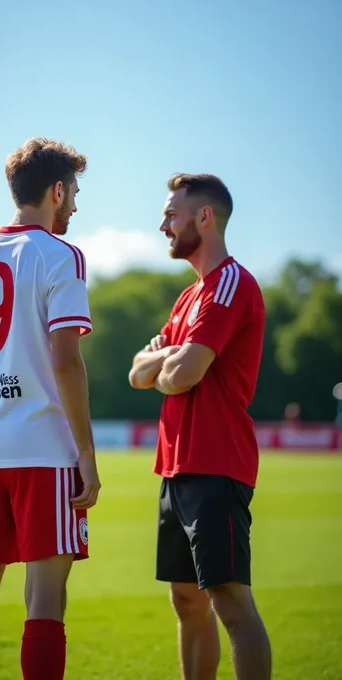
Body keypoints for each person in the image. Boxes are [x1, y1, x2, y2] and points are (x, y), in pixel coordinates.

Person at [0, 137, 101, 680]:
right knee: (45, 602)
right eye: (74, 193)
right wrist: (86, 453)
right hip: (45, 454)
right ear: (56, 191)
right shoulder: (61, 255)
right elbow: (66, 362)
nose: (75, 206)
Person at [128, 174, 272, 680]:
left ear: (204, 217)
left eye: (172, 214)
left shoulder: (232, 282)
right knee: (186, 601)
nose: (163, 224)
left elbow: (179, 376)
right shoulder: (188, 298)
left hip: (217, 464)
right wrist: (172, 356)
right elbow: (137, 372)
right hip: (176, 468)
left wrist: (166, 360)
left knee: (230, 602)